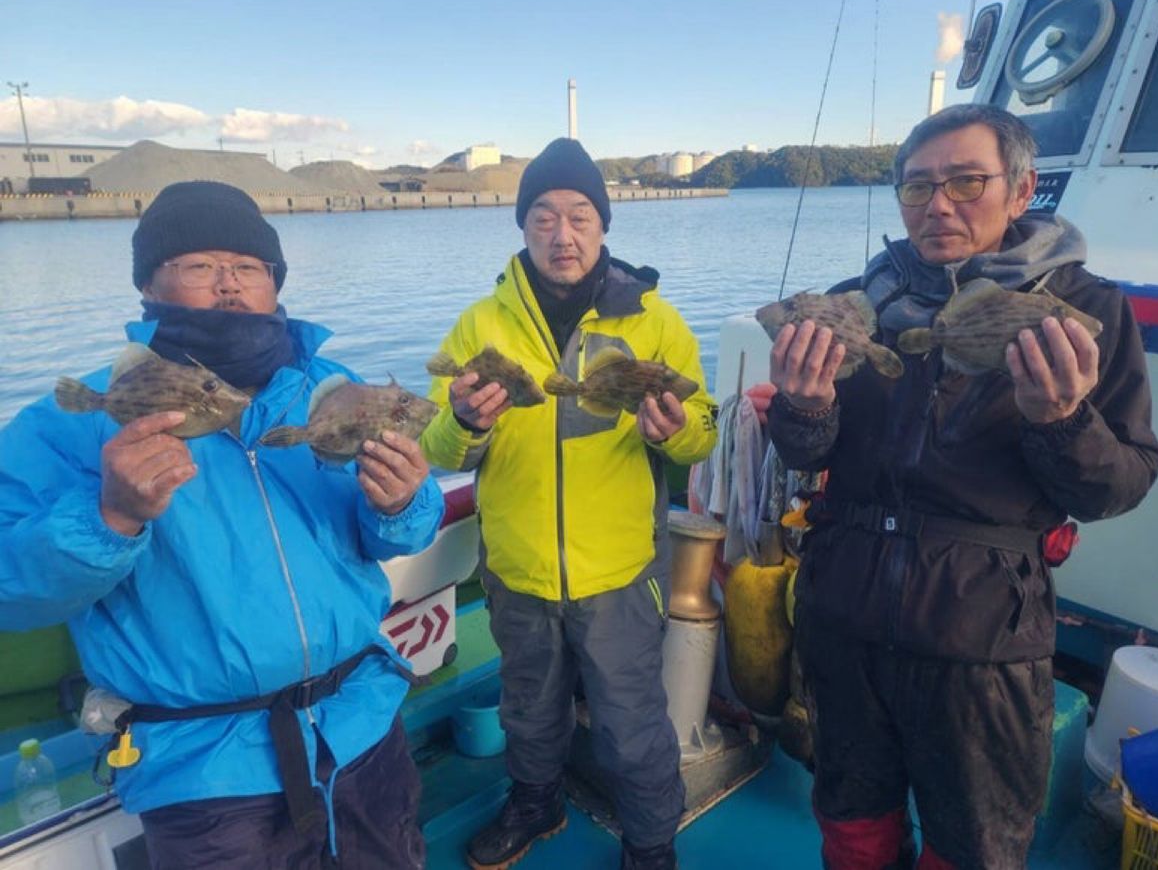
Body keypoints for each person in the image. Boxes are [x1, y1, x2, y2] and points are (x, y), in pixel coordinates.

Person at [0, 181, 444, 869]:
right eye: (201, 266)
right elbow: (11, 586)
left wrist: (400, 504)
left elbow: (398, 538)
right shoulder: (74, 421)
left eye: (248, 267)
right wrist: (109, 517)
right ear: (150, 283)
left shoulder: (331, 390)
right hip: (206, 772)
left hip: (361, 729)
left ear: (274, 281)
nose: (230, 287)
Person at [765, 105, 1158, 869]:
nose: (937, 205)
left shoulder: (1086, 310)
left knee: (976, 846)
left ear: (1021, 191)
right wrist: (802, 407)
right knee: (851, 820)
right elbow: (805, 454)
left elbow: (1119, 486)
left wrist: (1062, 420)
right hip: (842, 618)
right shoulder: (857, 304)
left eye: (965, 182)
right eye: (916, 188)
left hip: (981, 637)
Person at [421, 138, 717, 870]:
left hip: (620, 572)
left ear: (603, 225)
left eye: (580, 215)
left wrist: (677, 432)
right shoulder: (478, 325)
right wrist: (466, 421)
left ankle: (651, 842)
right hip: (518, 569)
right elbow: (437, 448)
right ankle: (536, 803)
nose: (563, 233)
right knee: (529, 708)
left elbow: (704, 426)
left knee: (631, 722)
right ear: (522, 227)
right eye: (545, 216)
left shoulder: (651, 320)